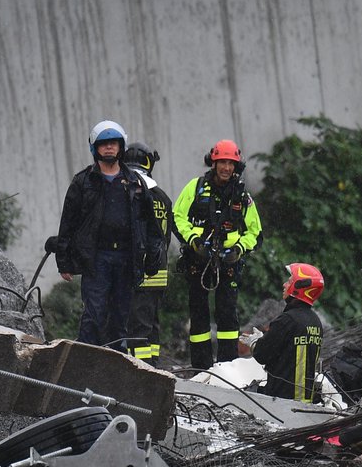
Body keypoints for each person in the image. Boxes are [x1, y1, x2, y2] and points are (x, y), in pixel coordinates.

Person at [54, 120, 161, 349]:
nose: (109, 148)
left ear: (121, 146)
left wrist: (152, 259)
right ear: (95, 148)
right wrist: (63, 260)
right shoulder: (83, 182)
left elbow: (151, 225)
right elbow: (68, 223)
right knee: (94, 315)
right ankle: (84, 365)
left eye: (113, 143)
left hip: (126, 258)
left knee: (121, 318)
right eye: (104, 144)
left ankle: (116, 369)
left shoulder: (135, 183)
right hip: (96, 259)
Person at [173, 139, 263, 370]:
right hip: (198, 259)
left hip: (229, 262)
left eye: (231, 163)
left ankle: (227, 366)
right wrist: (193, 241)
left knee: (227, 314)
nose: (226, 167)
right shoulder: (196, 187)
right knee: (199, 312)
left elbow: (255, 231)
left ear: (236, 166)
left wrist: (239, 249)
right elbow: (177, 217)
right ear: (213, 162)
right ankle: (201, 367)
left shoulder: (242, 196)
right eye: (222, 162)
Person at [241, 263, 325, 402]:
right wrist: (266, 338)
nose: (284, 285)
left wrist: (255, 342)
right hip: (305, 400)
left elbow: (262, 355)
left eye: (290, 281)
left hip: (281, 400)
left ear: (299, 287)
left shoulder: (288, 320)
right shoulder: (315, 321)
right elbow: (288, 349)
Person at [121, 141, 172, 366]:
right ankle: (155, 366)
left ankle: (143, 373)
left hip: (139, 272)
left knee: (137, 330)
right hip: (159, 272)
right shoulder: (163, 197)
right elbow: (166, 237)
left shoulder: (131, 193)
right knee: (152, 327)